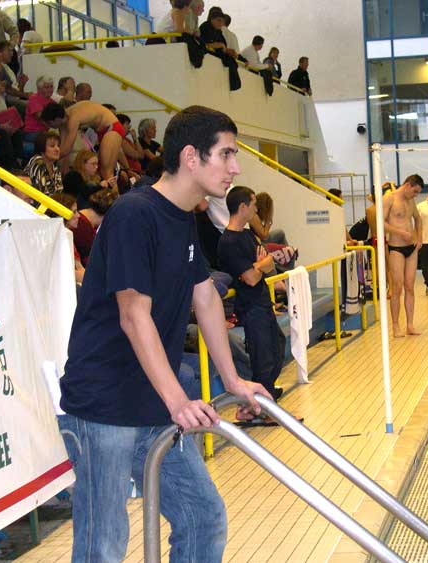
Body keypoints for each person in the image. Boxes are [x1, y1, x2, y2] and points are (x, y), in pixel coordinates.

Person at [59, 105, 269, 562]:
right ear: (191, 157)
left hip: (154, 402)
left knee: (202, 517)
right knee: (103, 543)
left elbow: (205, 296)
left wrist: (233, 380)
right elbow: (134, 315)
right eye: (227, 154)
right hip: (105, 405)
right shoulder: (135, 214)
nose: (235, 167)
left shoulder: (182, 217)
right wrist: (178, 401)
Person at [217, 185, 286, 402]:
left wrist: (260, 265)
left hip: (263, 303)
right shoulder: (228, 242)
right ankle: (261, 406)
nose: (256, 210)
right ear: (243, 207)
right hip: (250, 307)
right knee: (263, 360)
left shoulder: (247, 234)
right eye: (254, 205)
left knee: (277, 348)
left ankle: (265, 396)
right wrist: (261, 266)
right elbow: (251, 278)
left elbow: (267, 262)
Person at [41, 100, 128, 183]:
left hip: (112, 127)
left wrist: (46, 160)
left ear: (56, 119)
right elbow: (63, 151)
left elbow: (67, 149)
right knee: (101, 172)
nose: (49, 126)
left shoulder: (73, 118)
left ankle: (114, 193)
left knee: (107, 172)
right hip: (103, 130)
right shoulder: (63, 123)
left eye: (49, 123)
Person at [382, 174, 423, 337]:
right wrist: (399, 232)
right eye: (414, 191)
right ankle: (395, 326)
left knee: (410, 287)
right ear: (407, 185)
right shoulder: (389, 199)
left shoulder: (410, 201)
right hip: (396, 248)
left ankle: (410, 325)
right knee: (397, 288)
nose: (415, 195)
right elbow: (381, 223)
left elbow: (418, 219)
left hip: (411, 248)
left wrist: (420, 238)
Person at [24, 131, 63, 196]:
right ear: (42, 147)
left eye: (58, 146)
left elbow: (59, 194)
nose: (57, 149)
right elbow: (38, 193)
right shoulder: (37, 162)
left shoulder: (56, 169)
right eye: (52, 146)